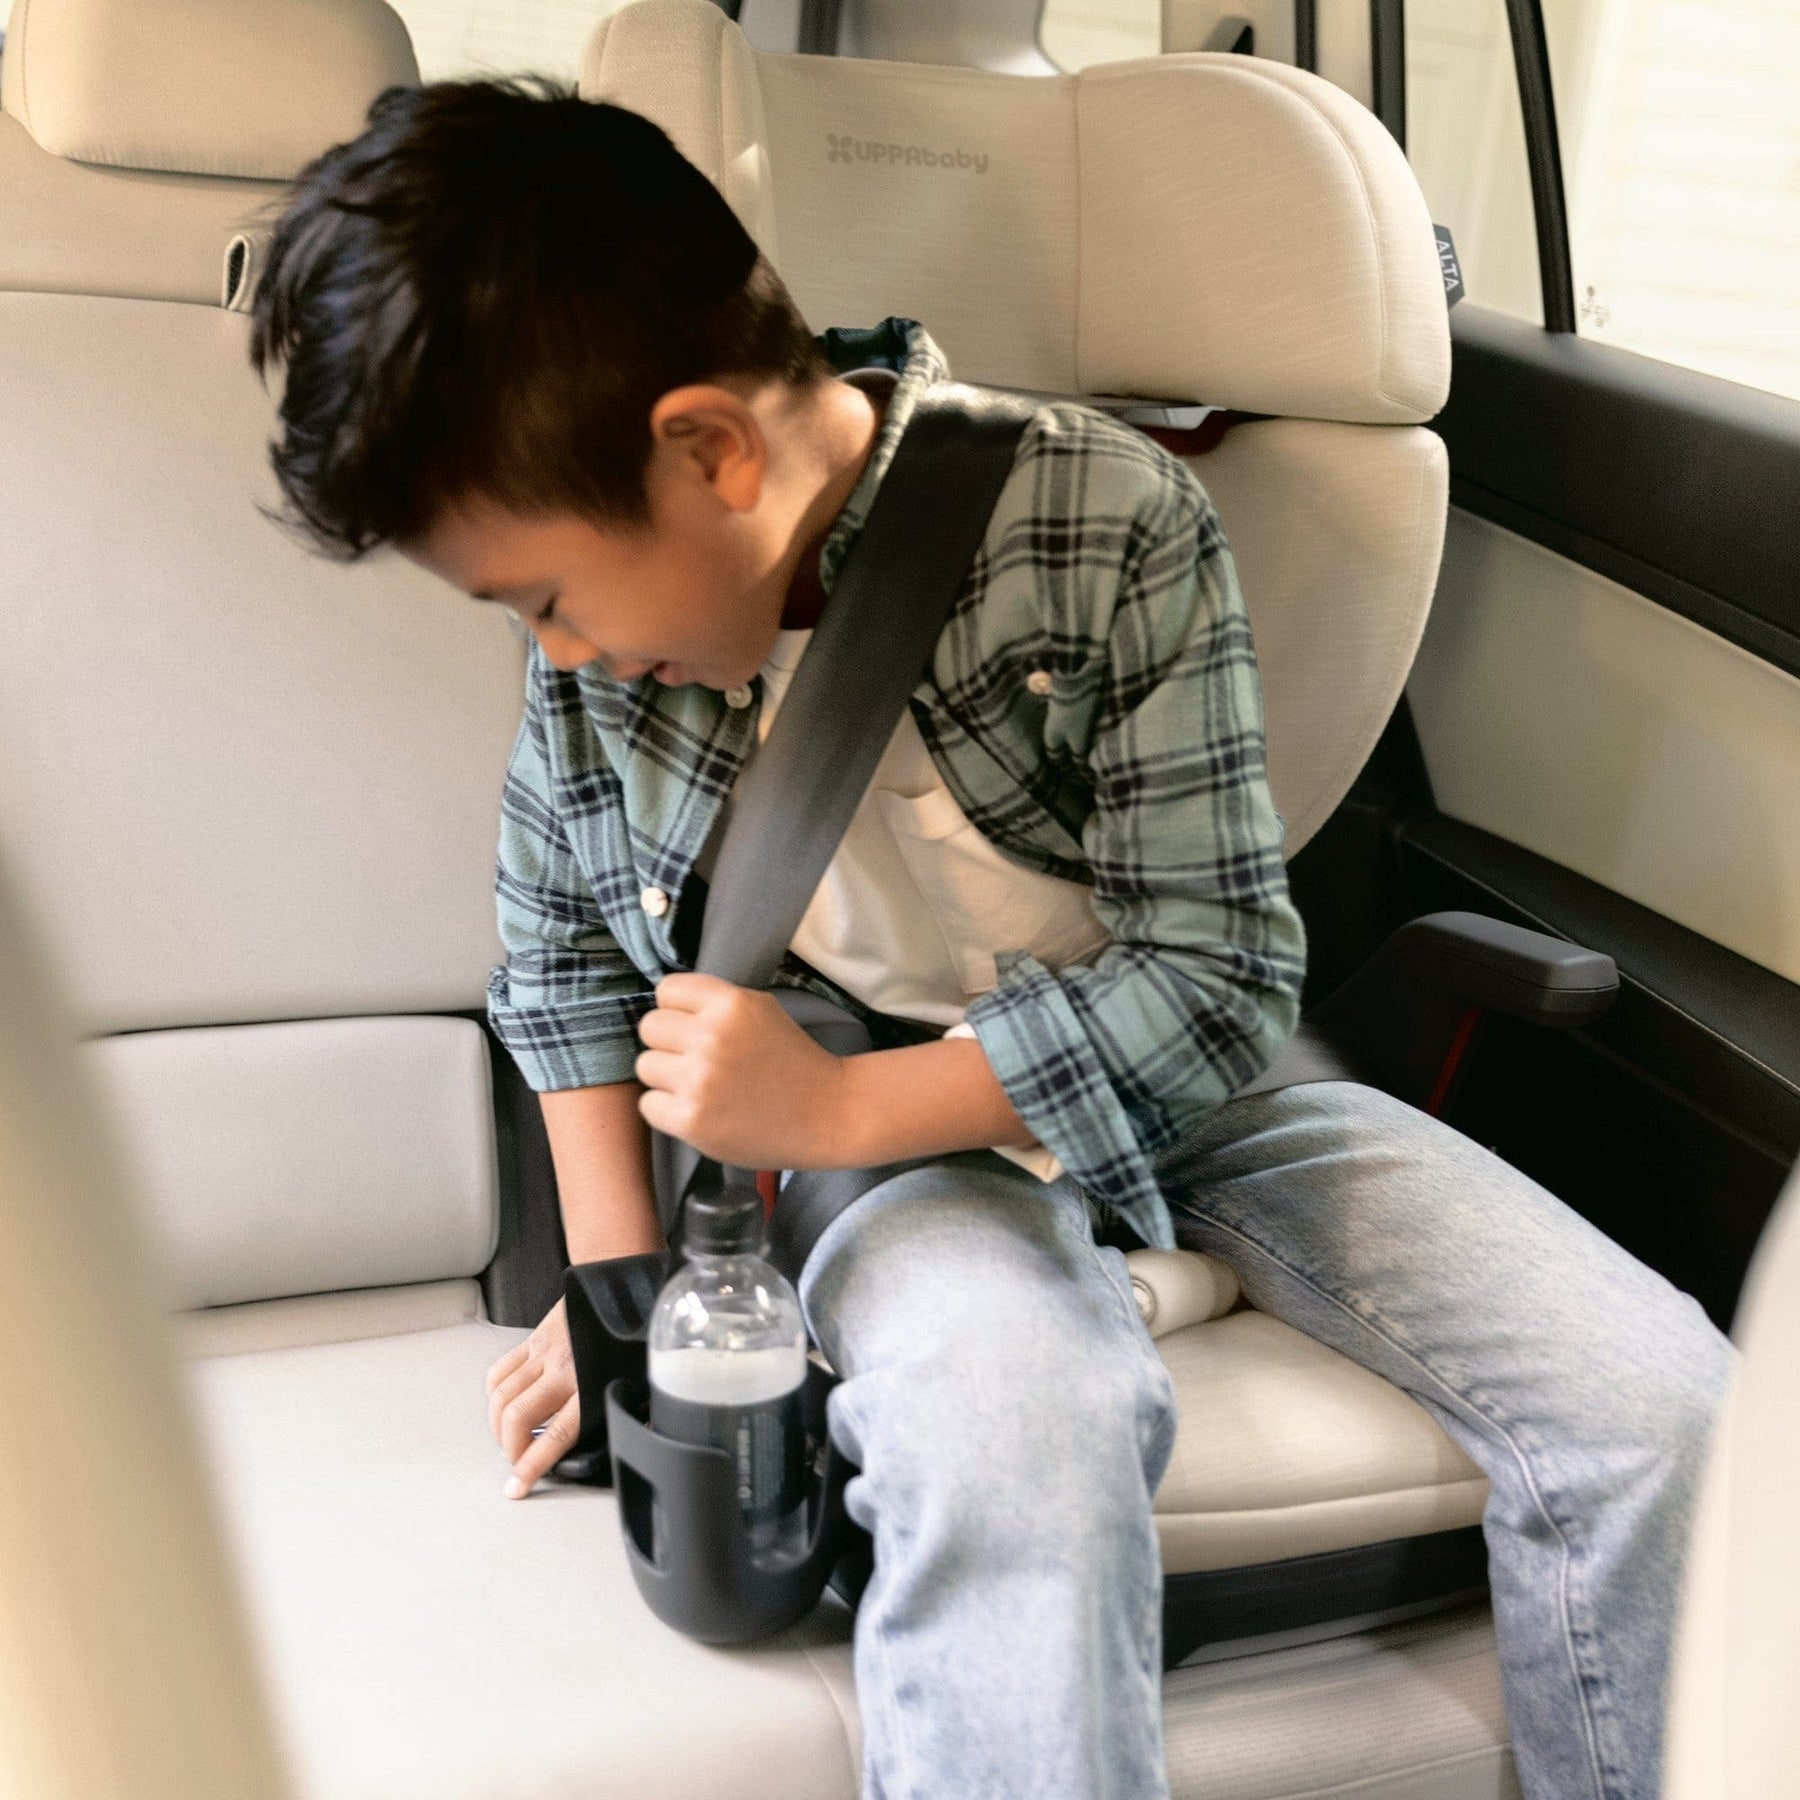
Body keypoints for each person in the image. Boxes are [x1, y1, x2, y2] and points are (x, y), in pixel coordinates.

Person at [247, 75, 1732, 1800]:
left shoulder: (1102, 524)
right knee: (1018, 1430)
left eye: (547, 599)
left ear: (710, 451)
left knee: (1669, 1407)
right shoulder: (604, 673)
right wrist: (620, 1293)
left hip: (1169, 1091)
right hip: (881, 1153)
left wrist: (834, 1106)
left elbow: (1222, 976)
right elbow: (563, 957)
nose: (555, 651)